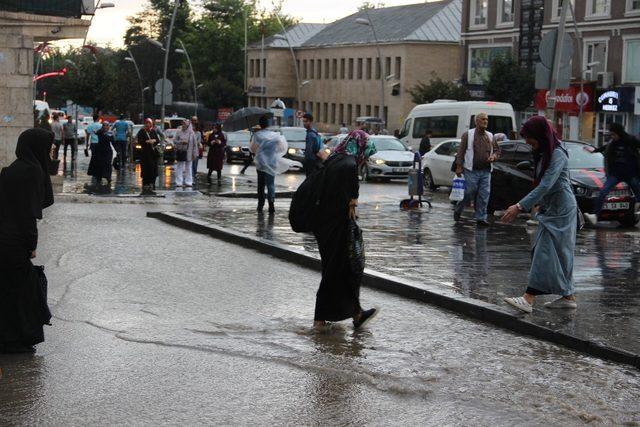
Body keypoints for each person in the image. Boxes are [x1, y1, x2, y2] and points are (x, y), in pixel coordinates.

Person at [502, 115, 578, 313]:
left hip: (562, 210)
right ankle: (568, 296)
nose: (527, 142)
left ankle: (528, 298)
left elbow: (546, 184)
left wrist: (519, 206)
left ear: (540, 135)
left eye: (530, 138)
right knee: (561, 254)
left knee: (543, 251)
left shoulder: (557, 154)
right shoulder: (546, 152)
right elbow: (544, 185)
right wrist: (540, 204)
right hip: (553, 208)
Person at [312, 130, 379, 330]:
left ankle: (355, 314)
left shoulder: (335, 159)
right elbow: (350, 200)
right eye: (365, 152)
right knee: (338, 271)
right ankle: (321, 320)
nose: (365, 158)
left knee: (339, 271)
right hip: (336, 227)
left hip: (325, 225)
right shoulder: (349, 166)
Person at [0, 128, 54, 353]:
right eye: (47, 147)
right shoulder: (33, 172)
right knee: (23, 290)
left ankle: (9, 337)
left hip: (3, 237)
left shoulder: (10, 170)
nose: (50, 151)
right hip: (16, 241)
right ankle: (18, 339)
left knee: (8, 288)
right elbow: (28, 213)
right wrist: (31, 245)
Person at [583, 122, 640, 225]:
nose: (612, 137)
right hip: (616, 174)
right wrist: (594, 151)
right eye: (611, 135)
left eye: (614, 134)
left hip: (630, 174)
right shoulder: (613, 143)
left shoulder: (630, 140)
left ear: (619, 133)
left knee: (637, 190)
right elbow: (605, 147)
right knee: (603, 191)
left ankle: (638, 208)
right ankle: (595, 216)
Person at [453, 113, 499, 226]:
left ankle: (481, 218)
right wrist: (459, 166)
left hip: (486, 171)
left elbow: (497, 150)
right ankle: (458, 209)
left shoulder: (490, 136)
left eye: (487, 119)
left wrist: (494, 156)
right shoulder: (468, 135)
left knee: (484, 195)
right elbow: (461, 152)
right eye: (483, 119)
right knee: (469, 192)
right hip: (471, 170)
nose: (485, 121)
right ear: (477, 121)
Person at [250, 115, 287, 213]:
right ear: (268, 124)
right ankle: (271, 203)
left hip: (261, 163)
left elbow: (253, 149)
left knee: (261, 185)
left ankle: (260, 205)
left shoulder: (257, 135)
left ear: (260, 125)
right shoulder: (274, 135)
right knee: (271, 184)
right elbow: (281, 148)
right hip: (272, 162)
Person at [87, 121, 115, 186]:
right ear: (103, 126)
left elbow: (112, 141)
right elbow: (106, 138)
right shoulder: (101, 132)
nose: (107, 127)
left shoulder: (108, 133)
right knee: (99, 164)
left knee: (108, 164)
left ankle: (108, 177)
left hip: (107, 151)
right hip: (100, 151)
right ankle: (99, 177)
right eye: (106, 126)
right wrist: (111, 136)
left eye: (108, 126)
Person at [174, 119, 199, 188]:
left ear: (188, 125)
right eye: (182, 124)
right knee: (180, 167)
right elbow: (175, 141)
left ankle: (189, 182)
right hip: (181, 152)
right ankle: (179, 182)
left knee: (189, 168)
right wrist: (181, 142)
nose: (183, 125)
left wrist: (195, 154)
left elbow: (195, 144)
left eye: (185, 124)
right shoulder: (179, 132)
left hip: (189, 153)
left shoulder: (192, 133)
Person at [138, 118, 160, 194]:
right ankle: (145, 184)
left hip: (153, 154)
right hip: (144, 154)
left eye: (149, 123)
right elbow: (139, 141)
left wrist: (154, 141)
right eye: (146, 123)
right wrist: (146, 141)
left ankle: (152, 183)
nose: (148, 125)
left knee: (153, 168)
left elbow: (157, 140)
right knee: (145, 169)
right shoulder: (142, 131)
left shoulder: (153, 131)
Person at [191, 118, 203, 182]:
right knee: (190, 164)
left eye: (194, 126)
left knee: (195, 164)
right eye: (192, 126)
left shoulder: (198, 133)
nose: (193, 127)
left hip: (196, 151)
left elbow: (198, 142)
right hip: (190, 151)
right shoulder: (190, 132)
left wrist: (196, 143)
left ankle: (194, 174)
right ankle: (192, 176)